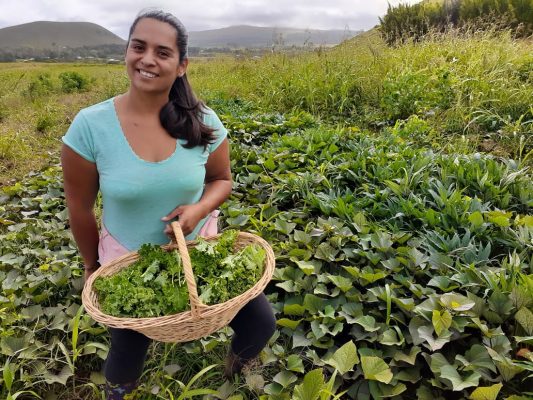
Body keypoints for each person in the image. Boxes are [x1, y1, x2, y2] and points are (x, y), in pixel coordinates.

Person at [61, 9, 276, 399]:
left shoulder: (201, 120)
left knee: (261, 323)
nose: (147, 59)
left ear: (181, 66)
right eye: (138, 47)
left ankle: (239, 364)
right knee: (127, 349)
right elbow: (79, 208)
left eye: (162, 52)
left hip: (199, 251)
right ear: (126, 52)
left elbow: (222, 179)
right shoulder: (90, 126)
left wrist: (198, 210)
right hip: (126, 261)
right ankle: (119, 391)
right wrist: (92, 266)